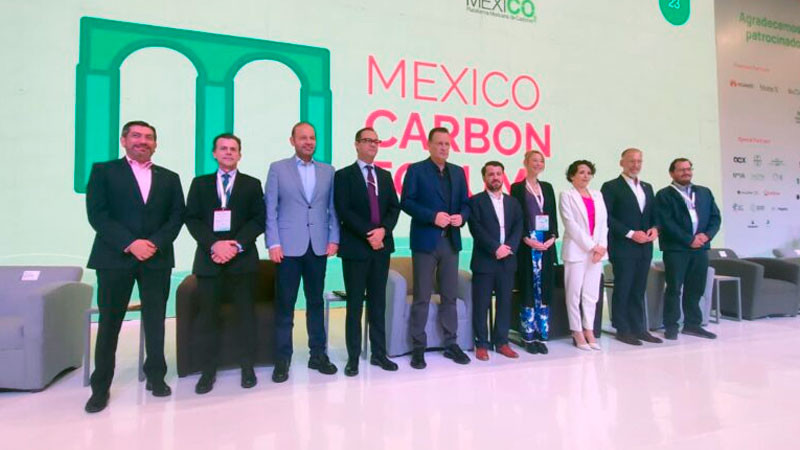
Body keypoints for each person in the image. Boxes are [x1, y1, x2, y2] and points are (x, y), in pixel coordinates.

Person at [84, 120, 185, 413]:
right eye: (137, 136)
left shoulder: (169, 177)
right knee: (109, 323)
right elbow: (98, 215)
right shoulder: (104, 171)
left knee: (155, 320)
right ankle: (100, 387)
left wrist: (153, 243)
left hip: (156, 258)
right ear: (124, 140)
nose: (143, 141)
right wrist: (130, 243)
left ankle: (156, 376)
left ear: (156, 144)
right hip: (115, 258)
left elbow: (176, 216)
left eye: (149, 137)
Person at [184, 133, 265, 394]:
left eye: (233, 149)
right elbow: (192, 219)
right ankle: (208, 371)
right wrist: (214, 245)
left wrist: (235, 245)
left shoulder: (252, 184)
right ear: (214, 153)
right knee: (208, 317)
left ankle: (247, 367)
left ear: (240, 154)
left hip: (242, 261)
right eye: (223, 148)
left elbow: (258, 219)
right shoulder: (200, 184)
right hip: (209, 261)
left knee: (245, 316)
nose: (228, 152)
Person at [265, 122, 339, 383]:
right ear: (292, 140)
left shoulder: (328, 171)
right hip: (287, 248)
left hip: (318, 246)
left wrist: (334, 238)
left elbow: (333, 208)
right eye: (303, 137)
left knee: (315, 302)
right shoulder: (278, 169)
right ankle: (282, 359)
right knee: (285, 305)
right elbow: (270, 208)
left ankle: (318, 355)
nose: (308, 142)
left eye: (312, 138)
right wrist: (273, 243)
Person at [400, 127, 471, 369]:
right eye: (439, 143)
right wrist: (432, 217)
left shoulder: (458, 172)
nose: (443, 148)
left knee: (450, 295)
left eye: (447, 144)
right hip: (425, 241)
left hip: (450, 241)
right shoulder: (416, 170)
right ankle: (418, 347)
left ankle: (451, 344)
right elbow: (406, 202)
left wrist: (462, 217)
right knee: (422, 295)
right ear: (429, 145)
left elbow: (466, 204)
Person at [333, 127, 400, 376]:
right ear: (357, 144)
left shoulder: (385, 175)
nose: (373, 144)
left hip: (381, 248)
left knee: (378, 303)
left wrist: (383, 230)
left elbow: (394, 207)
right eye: (367, 140)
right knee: (354, 305)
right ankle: (353, 357)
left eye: (376, 141)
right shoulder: (343, 176)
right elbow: (344, 210)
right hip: (356, 248)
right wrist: (369, 234)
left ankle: (379, 354)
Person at [601, 148, 662, 346]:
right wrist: (630, 233)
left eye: (639, 161)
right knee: (623, 287)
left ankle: (639, 328)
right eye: (631, 161)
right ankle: (623, 329)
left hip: (645, 246)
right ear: (622, 163)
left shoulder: (647, 187)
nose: (635, 165)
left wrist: (655, 229)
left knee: (639, 288)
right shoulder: (611, 186)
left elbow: (654, 214)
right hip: (623, 246)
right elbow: (607, 217)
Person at [654, 158, 721, 340]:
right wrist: (689, 239)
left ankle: (693, 325)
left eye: (688, 169)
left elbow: (715, 217)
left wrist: (706, 236)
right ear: (672, 173)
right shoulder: (664, 195)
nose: (686, 172)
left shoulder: (704, 192)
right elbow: (666, 222)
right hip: (676, 249)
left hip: (700, 248)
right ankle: (671, 326)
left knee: (696, 288)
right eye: (681, 169)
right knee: (674, 289)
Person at [467, 161, 523, 361]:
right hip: (484, 261)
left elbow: (518, 227)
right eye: (491, 174)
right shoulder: (475, 201)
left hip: (507, 260)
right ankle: (481, 343)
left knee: (505, 303)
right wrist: (495, 248)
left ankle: (502, 342)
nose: (495, 177)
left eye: (498, 173)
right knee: (481, 304)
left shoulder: (513, 202)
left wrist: (508, 248)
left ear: (503, 176)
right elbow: (476, 229)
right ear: (484, 178)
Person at [510, 150, 558, 355]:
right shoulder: (517, 188)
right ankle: (528, 335)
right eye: (534, 160)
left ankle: (541, 334)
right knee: (528, 289)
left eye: (541, 161)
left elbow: (552, 215)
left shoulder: (547, 187)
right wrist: (525, 238)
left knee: (544, 289)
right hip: (527, 245)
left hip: (545, 244)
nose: (538, 164)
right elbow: (516, 216)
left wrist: (553, 237)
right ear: (526, 163)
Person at [559, 160, 608, 351]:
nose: (585, 176)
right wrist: (592, 247)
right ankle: (576, 330)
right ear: (572, 175)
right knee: (574, 293)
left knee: (591, 294)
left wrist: (601, 247)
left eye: (588, 172)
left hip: (597, 253)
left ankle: (589, 329)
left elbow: (604, 224)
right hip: (576, 251)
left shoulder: (598, 195)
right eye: (581, 172)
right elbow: (571, 225)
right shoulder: (566, 195)